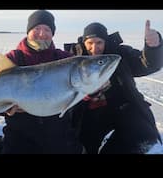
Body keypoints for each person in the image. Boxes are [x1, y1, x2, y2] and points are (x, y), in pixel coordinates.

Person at [0, 10, 82, 154]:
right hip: (19, 137)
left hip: (57, 136)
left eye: (47, 29)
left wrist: (96, 89)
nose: (41, 33)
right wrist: (6, 108)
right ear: (28, 31)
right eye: (36, 28)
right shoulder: (13, 59)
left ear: (53, 33)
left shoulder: (64, 59)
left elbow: (79, 91)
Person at [70, 21, 163, 154]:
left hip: (122, 109)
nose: (94, 48)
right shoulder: (74, 59)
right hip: (89, 114)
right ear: (84, 43)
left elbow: (146, 63)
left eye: (99, 42)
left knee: (141, 133)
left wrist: (153, 48)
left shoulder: (119, 54)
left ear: (105, 41)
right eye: (90, 43)